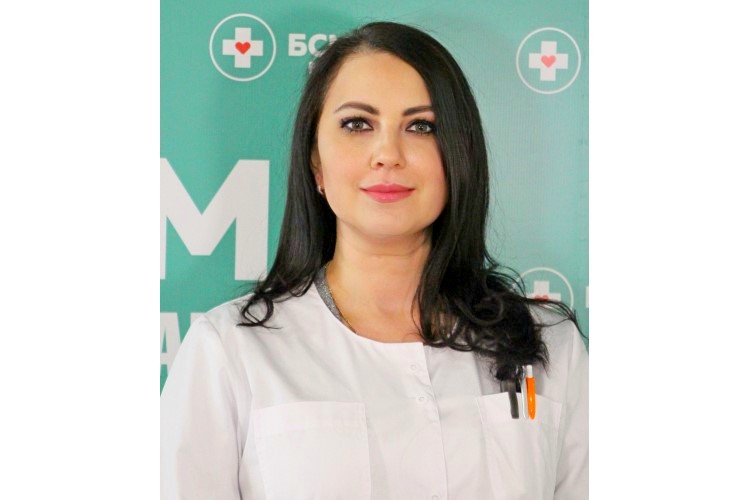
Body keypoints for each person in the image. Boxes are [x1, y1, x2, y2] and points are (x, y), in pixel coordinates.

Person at [161, 21, 588, 500]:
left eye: (421, 126)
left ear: (459, 157)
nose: (388, 154)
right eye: (357, 124)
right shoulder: (230, 352)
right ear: (316, 162)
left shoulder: (552, 348)